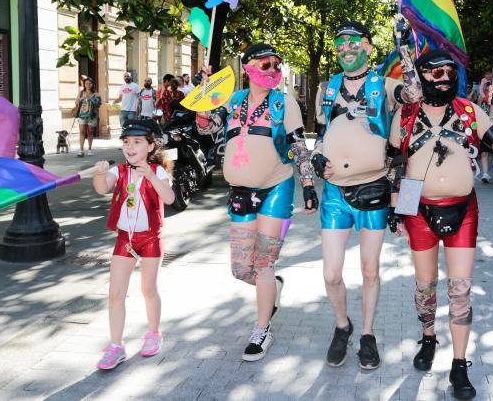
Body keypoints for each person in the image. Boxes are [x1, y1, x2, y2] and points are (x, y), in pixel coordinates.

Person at [386, 50, 493, 400]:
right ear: (422, 76)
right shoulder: (407, 113)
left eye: (447, 70)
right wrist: (395, 210)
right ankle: (428, 337)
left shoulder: (469, 111)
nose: (442, 76)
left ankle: (459, 365)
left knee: (460, 290)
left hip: (463, 212)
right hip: (419, 212)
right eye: (434, 71)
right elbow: (395, 161)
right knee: (425, 286)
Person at [310, 20, 422, 369]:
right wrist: (315, 157)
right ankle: (343, 325)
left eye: (354, 41)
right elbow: (320, 133)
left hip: (374, 190)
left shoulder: (385, 85)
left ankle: (368, 335)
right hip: (333, 194)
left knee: (370, 270)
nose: (346, 48)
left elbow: (415, 94)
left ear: (369, 47)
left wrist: (404, 48)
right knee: (331, 274)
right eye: (340, 42)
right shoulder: (327, 88)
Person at [197, 43, 319, 361]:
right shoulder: (235, 101)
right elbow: (210, 128)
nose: (274, 70)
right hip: (240, 193)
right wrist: (203, 100)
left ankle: (262, 330)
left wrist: (308, 185)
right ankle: (273, 287)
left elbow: (298, 145)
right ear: (248, 68)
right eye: (266, 64)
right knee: (241, 268)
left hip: (275, 190)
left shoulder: (284, 102)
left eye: (277, 65)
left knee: (263, 263)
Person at [92, 118, 175, 370]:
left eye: (137, 142)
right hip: (124, 240)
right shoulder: (119, 171)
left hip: (150, 239)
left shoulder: (157, 171)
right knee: (115, 293)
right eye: (126, 142)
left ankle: (153, 333)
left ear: (150, 146)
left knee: (148, 288)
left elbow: (169, 197)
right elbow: (101, 188)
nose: (130, 147)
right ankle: (116, 345)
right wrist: (98, 173)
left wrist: (151, 175)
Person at [75, 77, 101, 157]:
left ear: (92, 84)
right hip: (82, 115)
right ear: (84, 84)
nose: (88, 85)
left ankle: (89, 149)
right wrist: (82, 98)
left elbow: (98, 105)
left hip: (92, 116)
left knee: (90, 132)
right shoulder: (81, 93)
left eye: (90, 83)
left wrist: (91, 98)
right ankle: (81, 150)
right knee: (82, 131)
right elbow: (76, 102)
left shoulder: (96, 94)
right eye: (86, 83)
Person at [476, 83, 493, 184]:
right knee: (484, 152)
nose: (487, 92)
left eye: (489, 90)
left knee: (490, 152)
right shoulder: (481, 99)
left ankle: (487, 172)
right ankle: (485, 173)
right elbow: (477, 111)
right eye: (486, 90)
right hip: (482, 128)